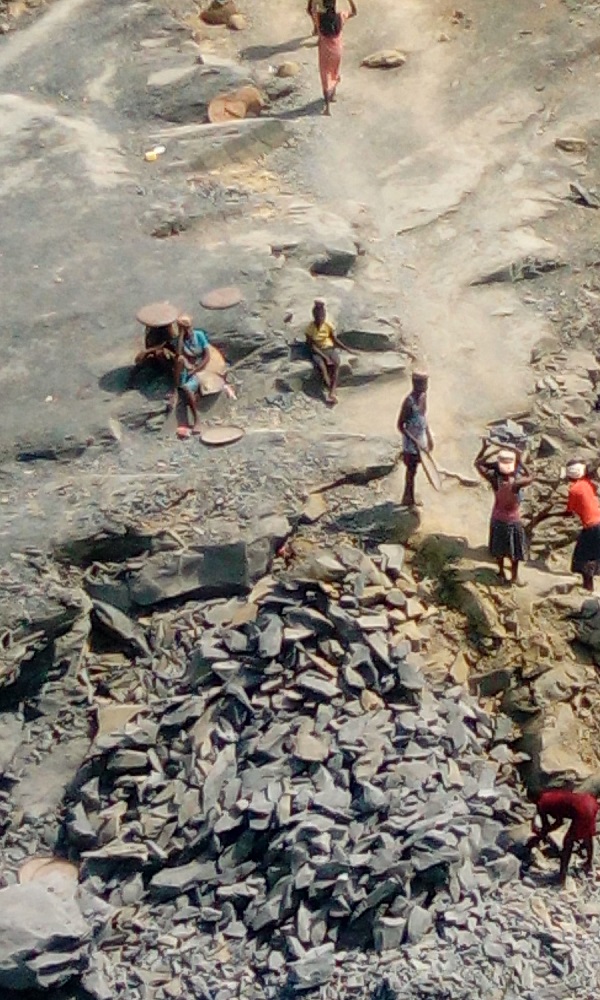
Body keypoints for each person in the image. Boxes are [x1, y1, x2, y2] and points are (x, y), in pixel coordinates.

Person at [474, 441, 532, 585]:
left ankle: (500, 572)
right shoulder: (517, 483)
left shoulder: (494, 479)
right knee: (515, 552)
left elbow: (478, 463)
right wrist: (519, 459)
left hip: (497, 518)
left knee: (499, 549)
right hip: (513, 520)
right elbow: (532, 475)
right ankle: (515, 577)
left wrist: (487, 449)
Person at [527, 788, 599, 884]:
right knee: (587, 834)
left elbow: (546, 826)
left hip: (582, 810)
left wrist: (537, 837)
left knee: (568, 841)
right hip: (590, 802)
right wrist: (544, 833)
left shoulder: (541, 804)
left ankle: (561, 876)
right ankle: (588, 863)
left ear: (532, 799)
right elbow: (559, 822)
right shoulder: (550, 795)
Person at [559, 459, 600, 592]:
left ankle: (588, 588)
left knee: (582, 558)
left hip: (591, 526)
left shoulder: (574, 490)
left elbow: (569, 512)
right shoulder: (588, 484)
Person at [397, 371, 433, 508]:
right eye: (423, 383)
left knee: (415, 469)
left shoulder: (423, 397)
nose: (426, 386)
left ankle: (409, 497)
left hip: (420, 438)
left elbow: (424, 417)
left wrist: (428, 436)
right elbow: (401, 425)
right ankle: (408, 498)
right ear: (416, 384)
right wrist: (413, 440)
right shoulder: (409, 402)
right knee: (411, 470)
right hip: (411, 443)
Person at [316, 0, 357, 116]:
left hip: (324, 51)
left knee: (325, 76)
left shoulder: (319, 18)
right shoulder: (340, 17)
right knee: (334, 73)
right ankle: (332, 96)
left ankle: (327, 108)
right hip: (337, 51)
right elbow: (354, 12)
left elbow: (309, 10)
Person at [173, 315, 211, 436]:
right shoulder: (181, 340)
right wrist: (181, 337)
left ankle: (197, 419)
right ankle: (178, 386)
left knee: (188, 389)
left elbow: (207, 355)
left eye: (188, 327)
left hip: (200, 367)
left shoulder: (199, 335)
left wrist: (196, 369)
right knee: (180, 360)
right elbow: (179, 354)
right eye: (184, 328)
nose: (188, 330)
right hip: (188, 367)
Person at [305, 299, 346, 404]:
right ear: (314, 316)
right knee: (322, 368)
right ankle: (329, 390)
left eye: (322, 316)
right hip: (317, 351)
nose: (321, 319)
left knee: (336, 364)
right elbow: (312, 346)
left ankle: (332, 390)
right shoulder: (310, 328)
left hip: (329, 348)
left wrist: (346, 348)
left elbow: (334, 339)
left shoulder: (327, 325)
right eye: (318, 317)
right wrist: (325, 357)